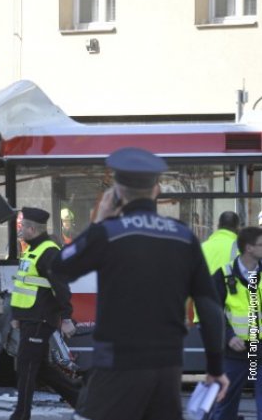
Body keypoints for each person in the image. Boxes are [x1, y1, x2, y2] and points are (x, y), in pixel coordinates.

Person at [50, 147, 229, 420]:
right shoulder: (183, 237)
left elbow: (59, 267)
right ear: (157, 189)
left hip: (116, 364)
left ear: (117, 191)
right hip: (167, 366)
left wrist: (99, 223)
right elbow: (209, 306)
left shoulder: (108, 233)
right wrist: (216, 368)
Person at [9, 207, 78, 420]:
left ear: (32, 229)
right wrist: (17, 317)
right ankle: (82, 399)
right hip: (30, 318)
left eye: (22, 227)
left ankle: (21, 415)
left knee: (26, 366)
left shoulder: (48, 252)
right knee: (38, 368)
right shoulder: (32, 249)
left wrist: (66, 318)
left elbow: (62, 287)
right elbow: (26, 286)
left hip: (40, 319)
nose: (19, 230)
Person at [211, 226, 262, 420]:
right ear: (249, 248)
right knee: (225, 404)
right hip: (235, 351)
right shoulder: (223, 275)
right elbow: (212, 312)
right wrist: (229, 337)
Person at [193, 211, 240, 324]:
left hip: (203, 315)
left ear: (218, 226)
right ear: (238, 227)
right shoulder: (243, 249)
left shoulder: (202, 248)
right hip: (233, 318)